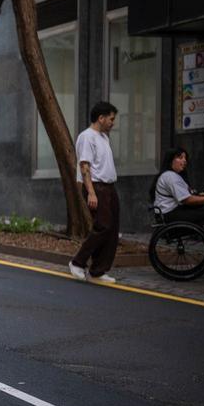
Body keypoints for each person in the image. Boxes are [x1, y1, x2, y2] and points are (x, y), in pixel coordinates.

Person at [69, 102, 120, 284]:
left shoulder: (104, 137)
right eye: (111, 119)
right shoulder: (87, 137)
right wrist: (91, 192)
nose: (113, 123)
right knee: (102, 226)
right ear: (101, 118)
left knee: (112, 229)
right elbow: (84, 166)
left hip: (109, 187)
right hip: (97, 187)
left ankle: (98, 271)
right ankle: (77, 262)